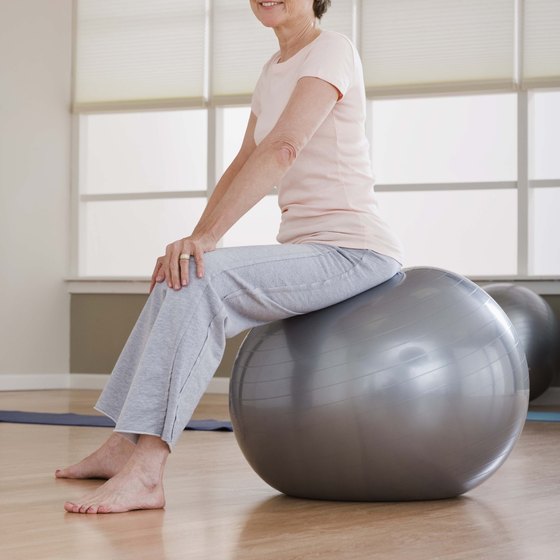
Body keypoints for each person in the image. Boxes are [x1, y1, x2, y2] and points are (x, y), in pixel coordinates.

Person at [57, 0, 404, 514]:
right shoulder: (272, 70)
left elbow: (284, 146)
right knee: (181, 275)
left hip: (355, 251)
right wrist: (196, 240)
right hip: (311, 247)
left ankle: (148, 472)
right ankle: (120, 445)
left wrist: (207, 242)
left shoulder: (332, 50)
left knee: (201, 279)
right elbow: (246, 159)